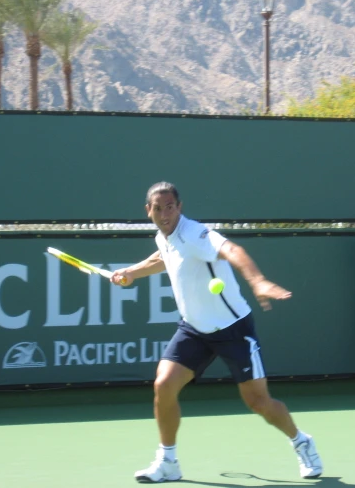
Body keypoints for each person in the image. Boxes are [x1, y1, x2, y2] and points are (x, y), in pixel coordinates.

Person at [110, 181, 323, 483]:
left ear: (179, 207)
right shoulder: (164, 237)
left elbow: (233, 249)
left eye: (170, 207)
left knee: (258, 402)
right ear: (149, 211)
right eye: (158, 208)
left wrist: (258, 281)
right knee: (164, 385)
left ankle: (301, 441)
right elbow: (162, 258)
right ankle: (168, 460)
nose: (165, 214)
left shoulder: (196, 234)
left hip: (233, 328)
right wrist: (131, 272)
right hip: (194, 329)